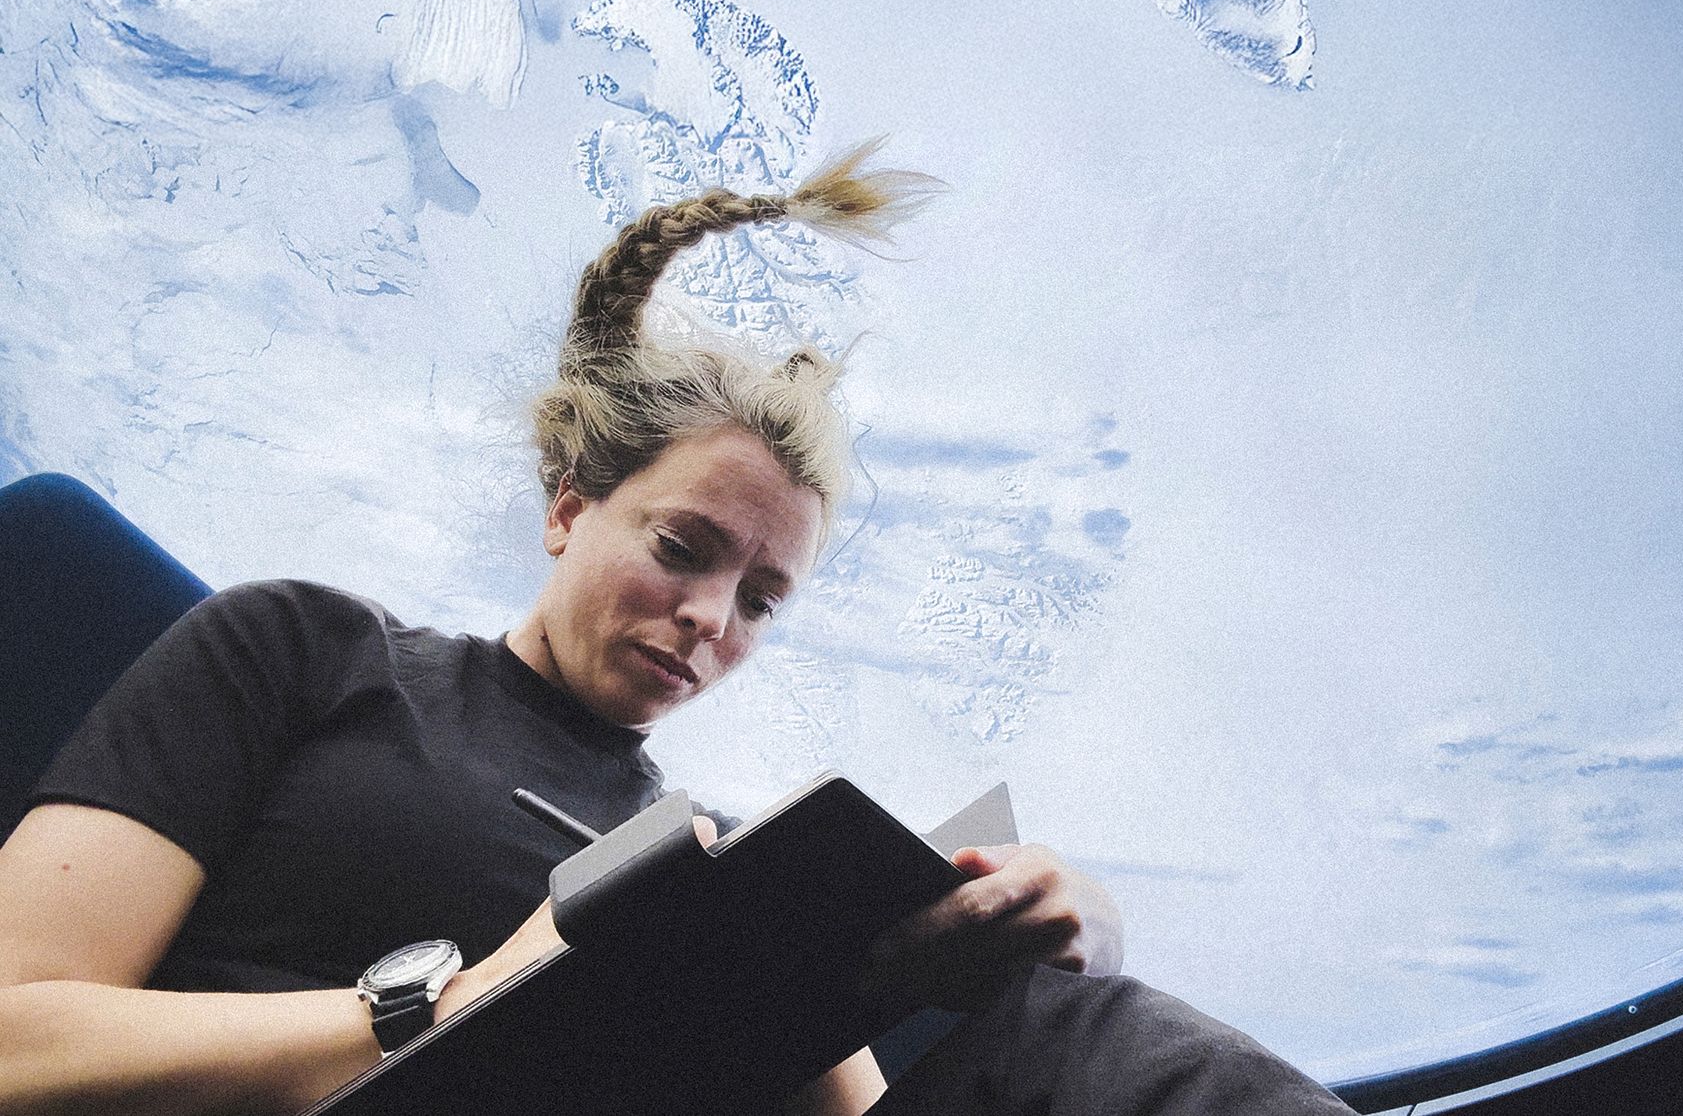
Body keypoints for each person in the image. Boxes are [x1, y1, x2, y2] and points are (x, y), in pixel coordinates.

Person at [0, 144, 1354, 1116]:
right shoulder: (306, 652)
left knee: (1067, 1034)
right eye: (681, 549)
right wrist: (442, 1012)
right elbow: (14, 1042)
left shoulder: (720, 859)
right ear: (568, 509)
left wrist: (1041, 930)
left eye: (762, 601)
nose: (710, 620)